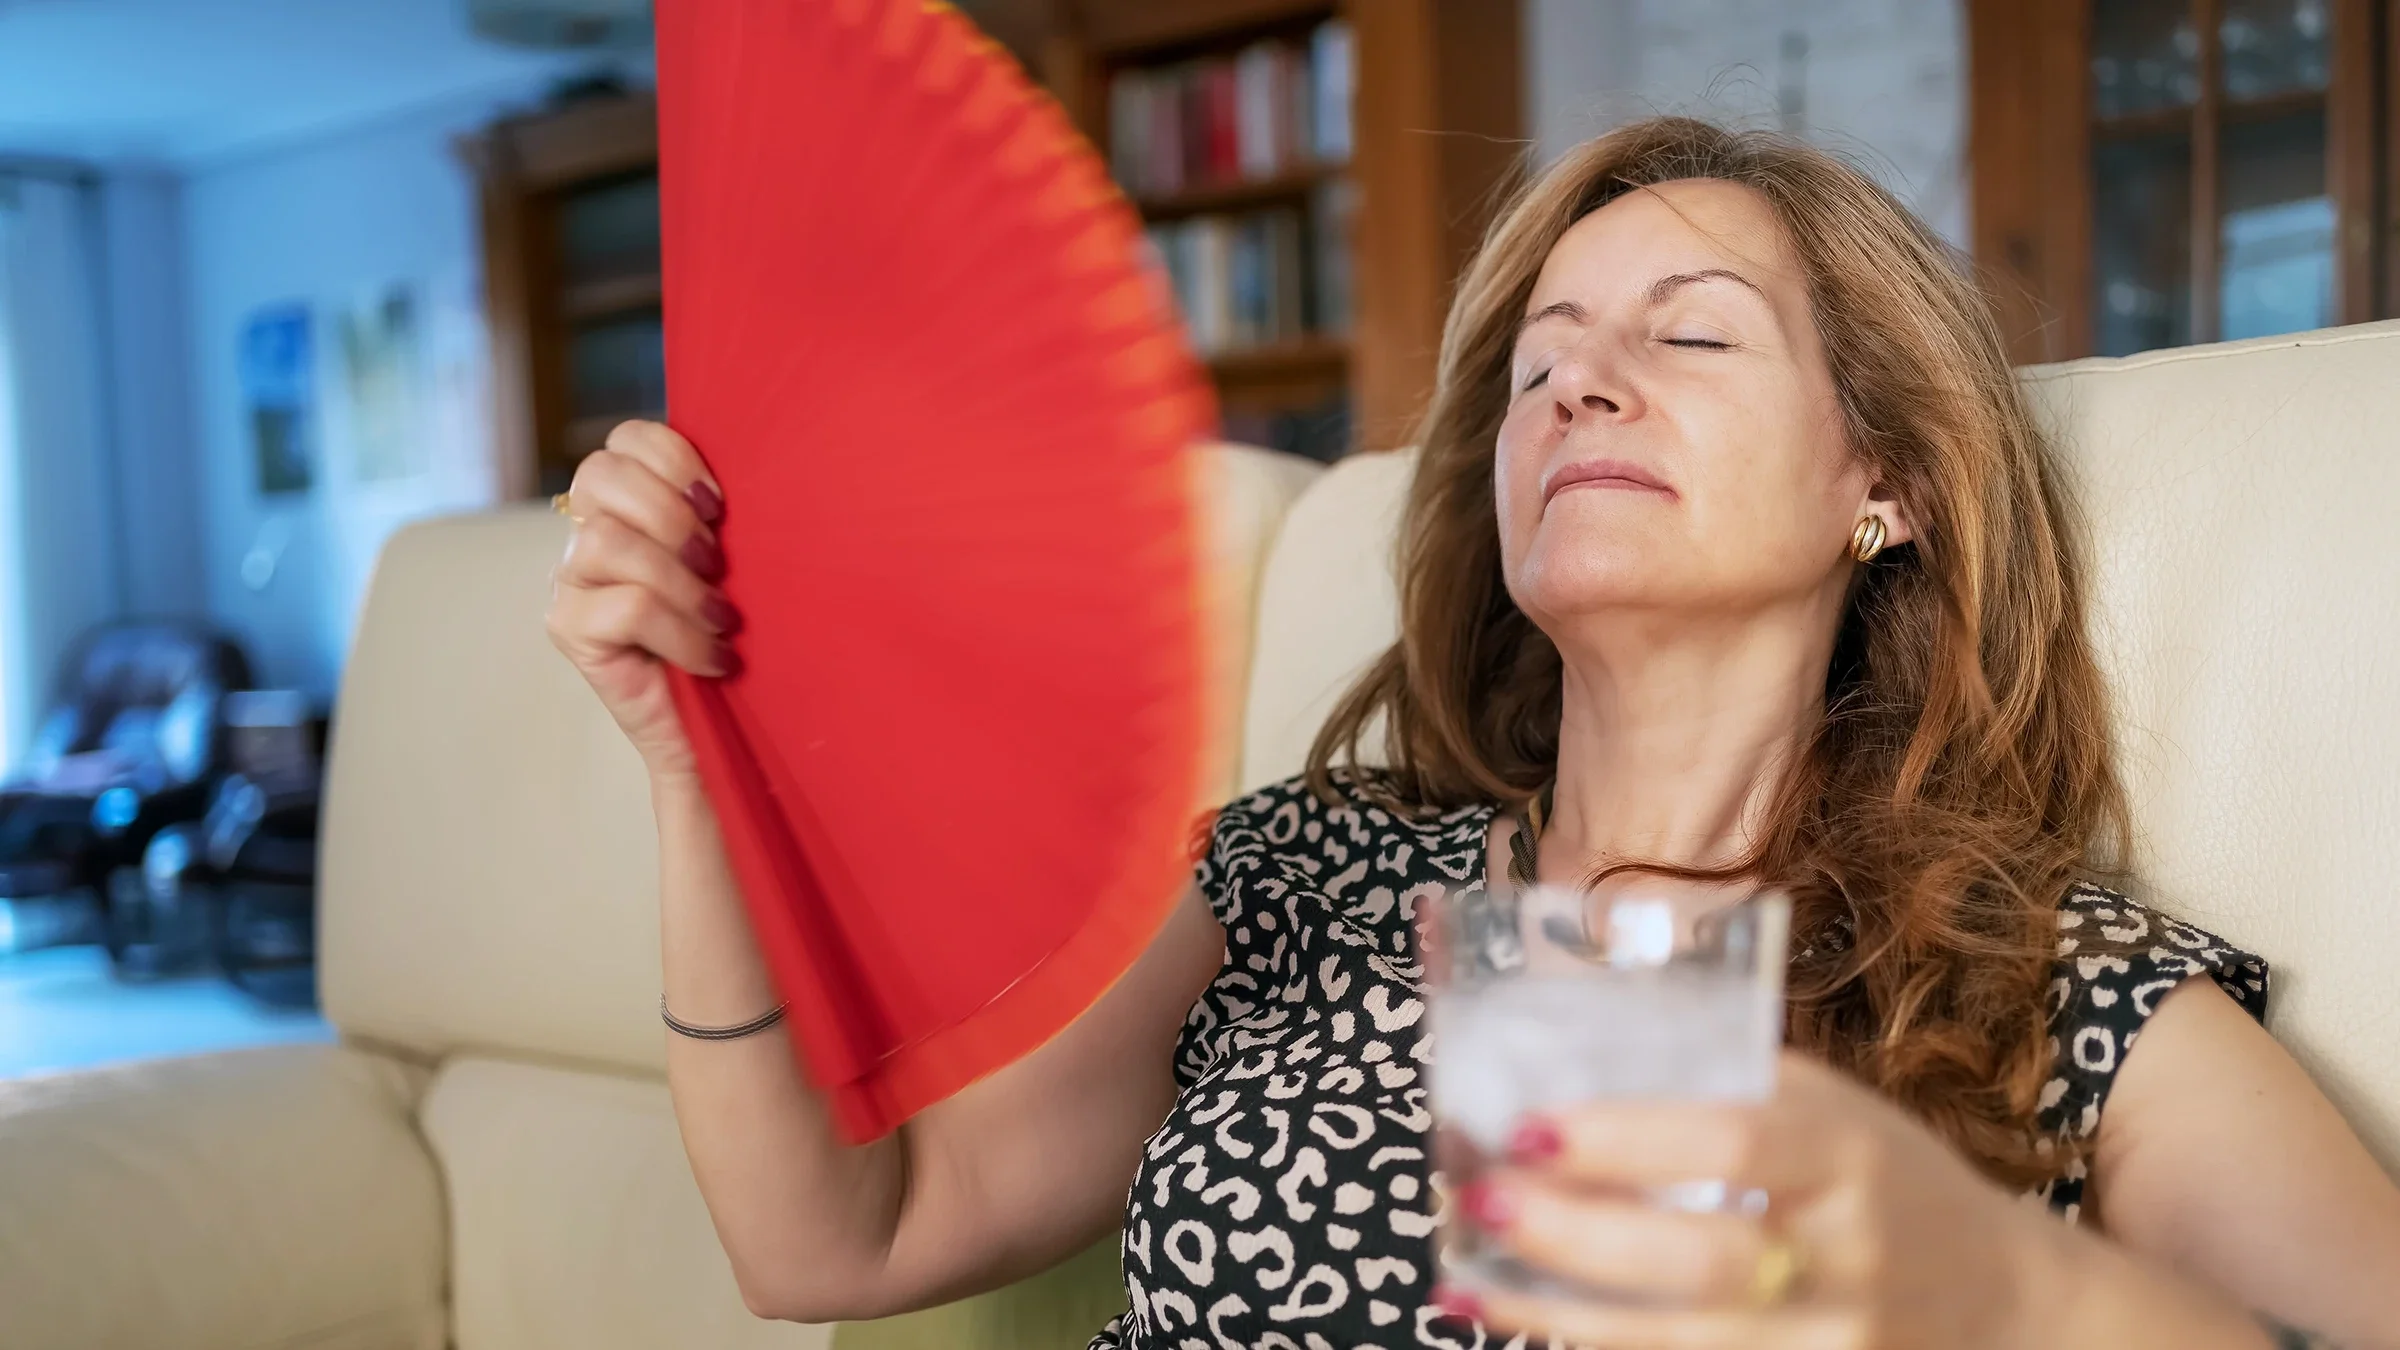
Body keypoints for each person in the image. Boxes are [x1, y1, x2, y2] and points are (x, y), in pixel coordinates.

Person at [545, 117, 2400, 1349]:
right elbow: (834, 1241)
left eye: (1690, 338)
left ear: (1888, 481)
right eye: (1539, 359)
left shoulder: (2053, 989)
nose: (1578, 373)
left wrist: (1998, 1286)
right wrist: (687, 759)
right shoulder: (1312, 869)